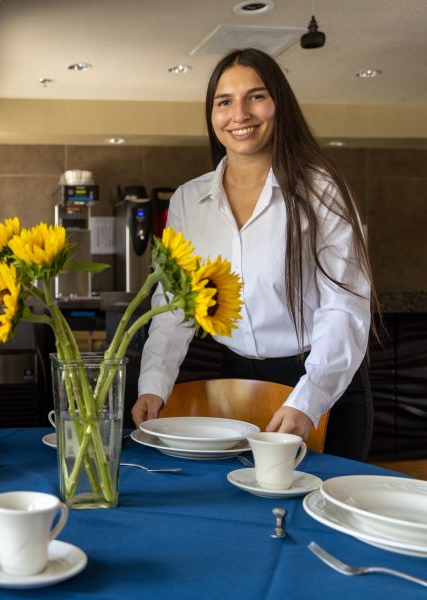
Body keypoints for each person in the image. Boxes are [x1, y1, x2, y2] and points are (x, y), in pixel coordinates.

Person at [133, 48, 375, 461]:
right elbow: (174, 305)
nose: (239, 114)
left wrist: (308, 399)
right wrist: (153, 383)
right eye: (224, 102)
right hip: (237, 385)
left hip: (322, 382)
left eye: (256, 97)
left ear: (280, 105)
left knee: (321, 512)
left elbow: (344, 308)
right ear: (212, 115)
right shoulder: (189, 201)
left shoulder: (322, 190)